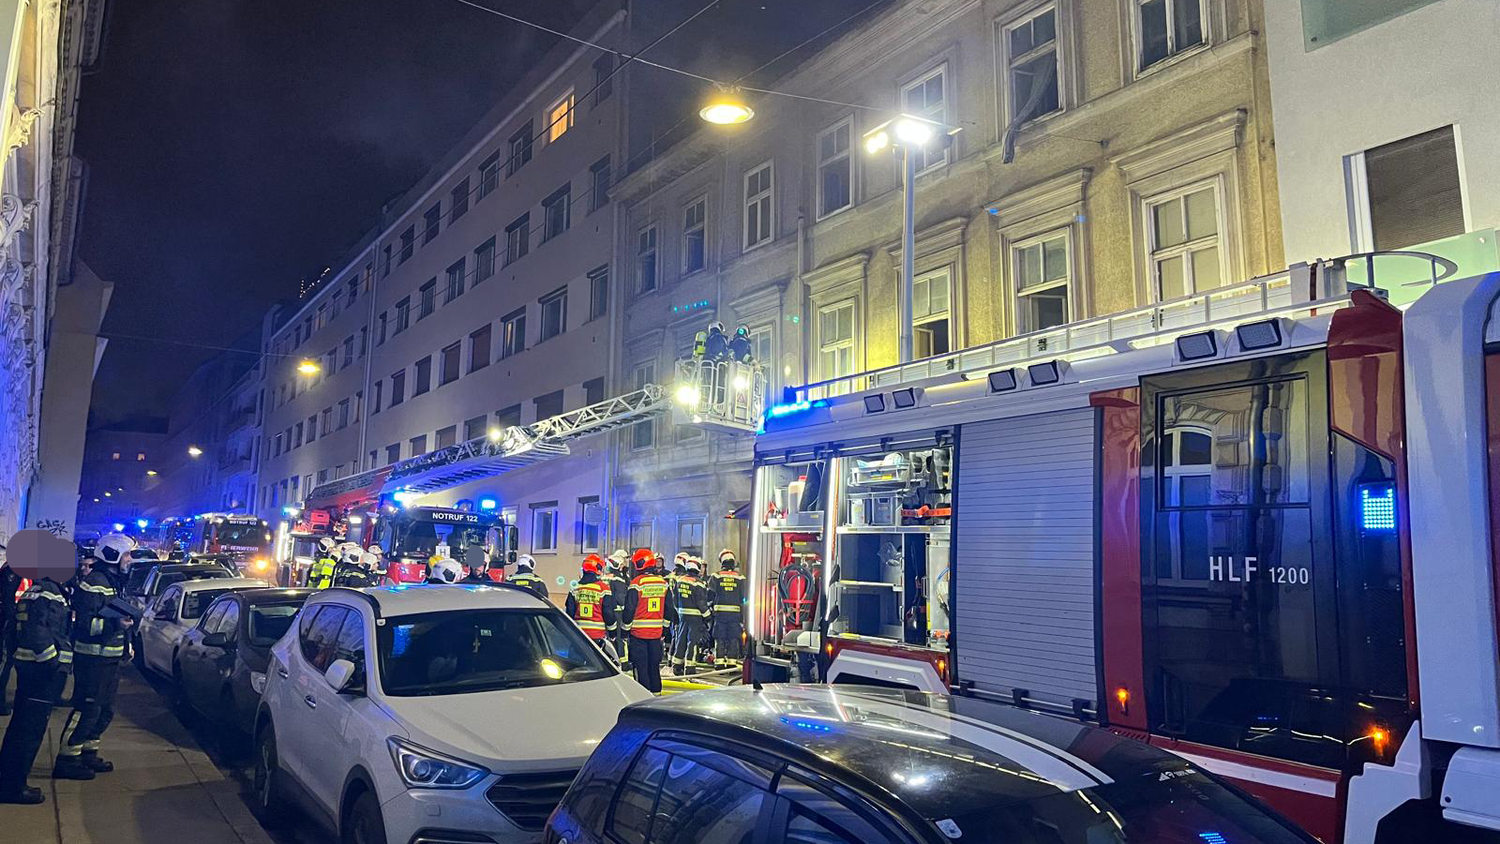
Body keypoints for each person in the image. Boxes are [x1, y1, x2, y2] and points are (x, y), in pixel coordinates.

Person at [0, 530, 76, 804]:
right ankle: (12, 788)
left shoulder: (40, 590)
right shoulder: (47, 593)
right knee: (28, 733)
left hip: (33, 672)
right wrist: (51, 663)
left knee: (22, 729)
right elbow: (36, 632)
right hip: (40, 675)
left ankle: (9, 783)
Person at [55, 534, 134, 779]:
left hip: (109, 660)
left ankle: (87, 753)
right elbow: (85, 625)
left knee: (104, 709)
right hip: (92, 660)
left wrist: (125, 644)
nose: (130, 559)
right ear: (113, 555)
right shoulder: (94, 583)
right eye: (127, 554)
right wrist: (115, 625)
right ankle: (67, 760)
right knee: (87, 708)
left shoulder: (112, 581)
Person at [622, 548, 669, 693]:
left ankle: (642, 699)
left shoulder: (636, 583)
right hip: (656, 635)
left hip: (638, 635)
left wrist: (625, 630)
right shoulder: (663, 583)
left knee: (641, 668)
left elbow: (629, 609)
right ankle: (656, 697)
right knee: (654, 667)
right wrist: (665, 630)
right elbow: (669, 608)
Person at [565, 555, 615, 654]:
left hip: (579, 636)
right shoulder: (603, 589)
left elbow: (569, 612)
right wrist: (613, 633)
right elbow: (608, 613)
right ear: (598, 569)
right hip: (597, 637)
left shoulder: (575, 588)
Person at [708, 550, 747, 666]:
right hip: (735, 615)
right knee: (733, 637)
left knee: (719, 637)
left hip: (719, 614)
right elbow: (745, 597)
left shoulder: (716, 576)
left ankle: (719, 663)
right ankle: (731, 663)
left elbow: (710, 595)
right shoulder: (740, 578)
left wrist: (710, 610)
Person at [670, 559, 708, 676]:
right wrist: (708, 616)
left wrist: (679, 611)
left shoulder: (680, 580)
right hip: (695, 617)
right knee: (692, 641)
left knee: (681, 639)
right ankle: (689, 667)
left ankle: (677, 665)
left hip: (682, 616)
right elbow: (701, 603)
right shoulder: (698, 583)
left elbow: (675, 600)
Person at [0, 543, 21, 715]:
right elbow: (8, 599)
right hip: (7, 623)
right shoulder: (12, 572)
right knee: (4, 663)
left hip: (10, 622)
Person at [601, 551, 630, 667]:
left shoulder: (604, 578)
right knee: (619, 639)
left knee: (609, 637)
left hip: (605, 611)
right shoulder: (618, 580)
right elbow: (622, 598)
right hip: (618, 612)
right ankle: (623, 664)